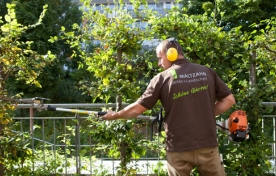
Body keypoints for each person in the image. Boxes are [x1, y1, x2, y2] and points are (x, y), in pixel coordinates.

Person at [101, 38, 235, 176]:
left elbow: (137, 109)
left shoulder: (161, 78)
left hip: (178, 148)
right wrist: (204, 114)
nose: (159, 63)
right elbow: (229, 100)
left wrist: (115, 115)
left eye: (160, 58)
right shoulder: (207, 72)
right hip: (208, 146)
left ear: (171, 53)